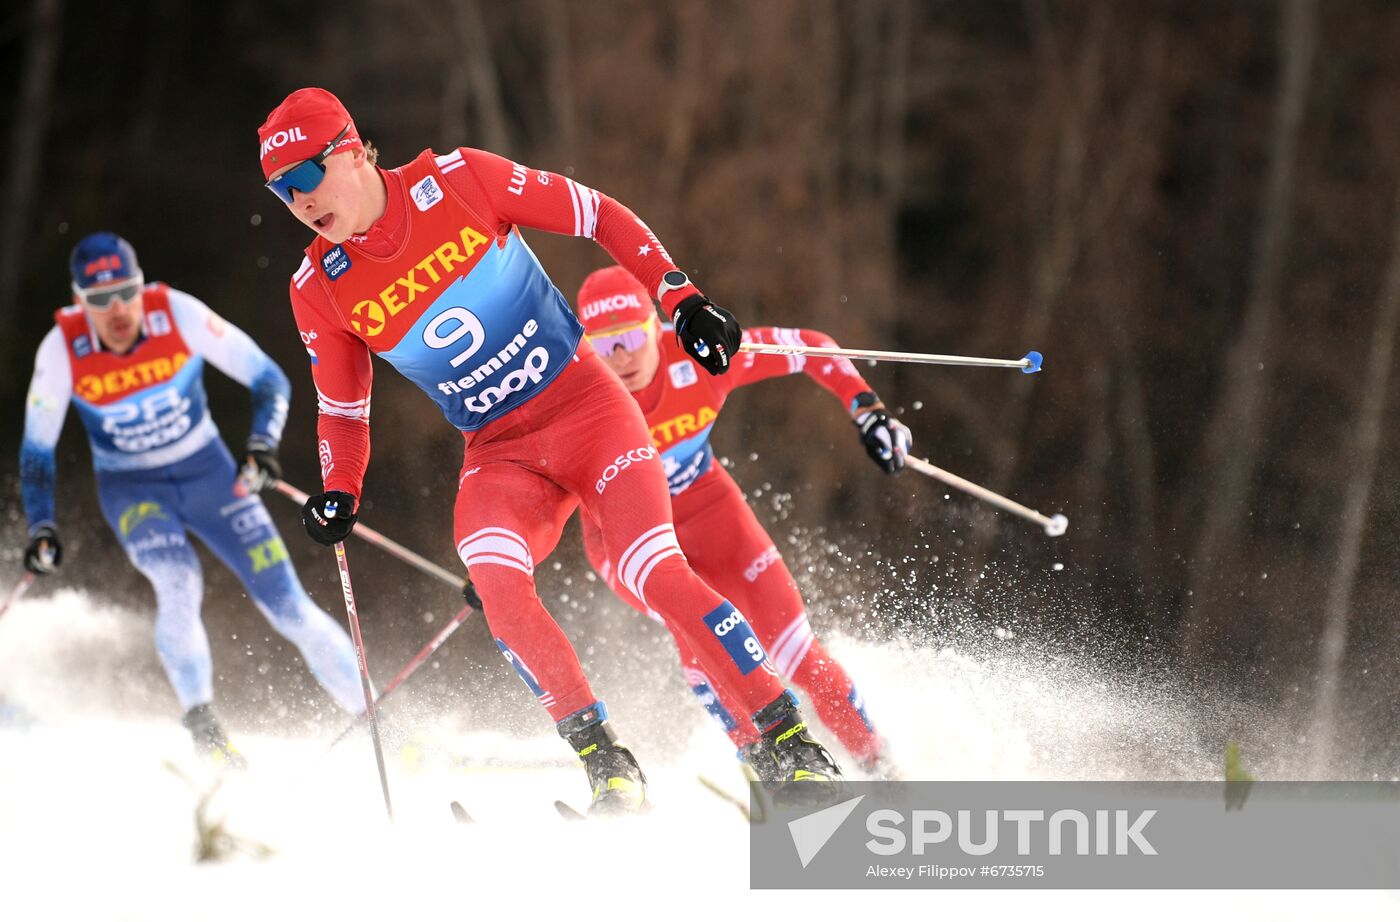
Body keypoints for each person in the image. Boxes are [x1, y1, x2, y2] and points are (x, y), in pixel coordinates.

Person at [258, 87, 844, 811]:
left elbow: (596, 213)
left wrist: (679, 297)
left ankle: (791, 743)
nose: (297, 201)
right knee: (498, 584)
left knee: (655, 569)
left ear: (350, 151)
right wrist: (341, 487)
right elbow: (343, 406)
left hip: (590, 410)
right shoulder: (318, 287)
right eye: (280, 191)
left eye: (305, 178)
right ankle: (608, 766)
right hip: (501, 453)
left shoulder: (458, 180)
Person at [18, 233, 368, 766]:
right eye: (98, 300)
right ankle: (204, 729)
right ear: (78, 302)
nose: (115, 310)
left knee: (289, 604)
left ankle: (375, 723)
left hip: (210, 475)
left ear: (141, 287)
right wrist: (42, 526)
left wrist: (260, 447)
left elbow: (269, 380)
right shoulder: (61, 349)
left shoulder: (176, 313)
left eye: (124, 292)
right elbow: (37, 450)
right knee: (178, 581)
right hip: (133, 490)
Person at [574, 266, 909, 781]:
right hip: (623, 536)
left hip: (709, 508)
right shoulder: (574, 390)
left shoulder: (699, 356)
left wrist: (867, 409)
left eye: (632, 337)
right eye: (605, 345)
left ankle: (880, 767)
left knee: (798, 652)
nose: (621, 358)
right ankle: (772, 772)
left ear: (655, 327)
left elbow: (811, 346)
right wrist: (505, 561)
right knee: (703, 644)